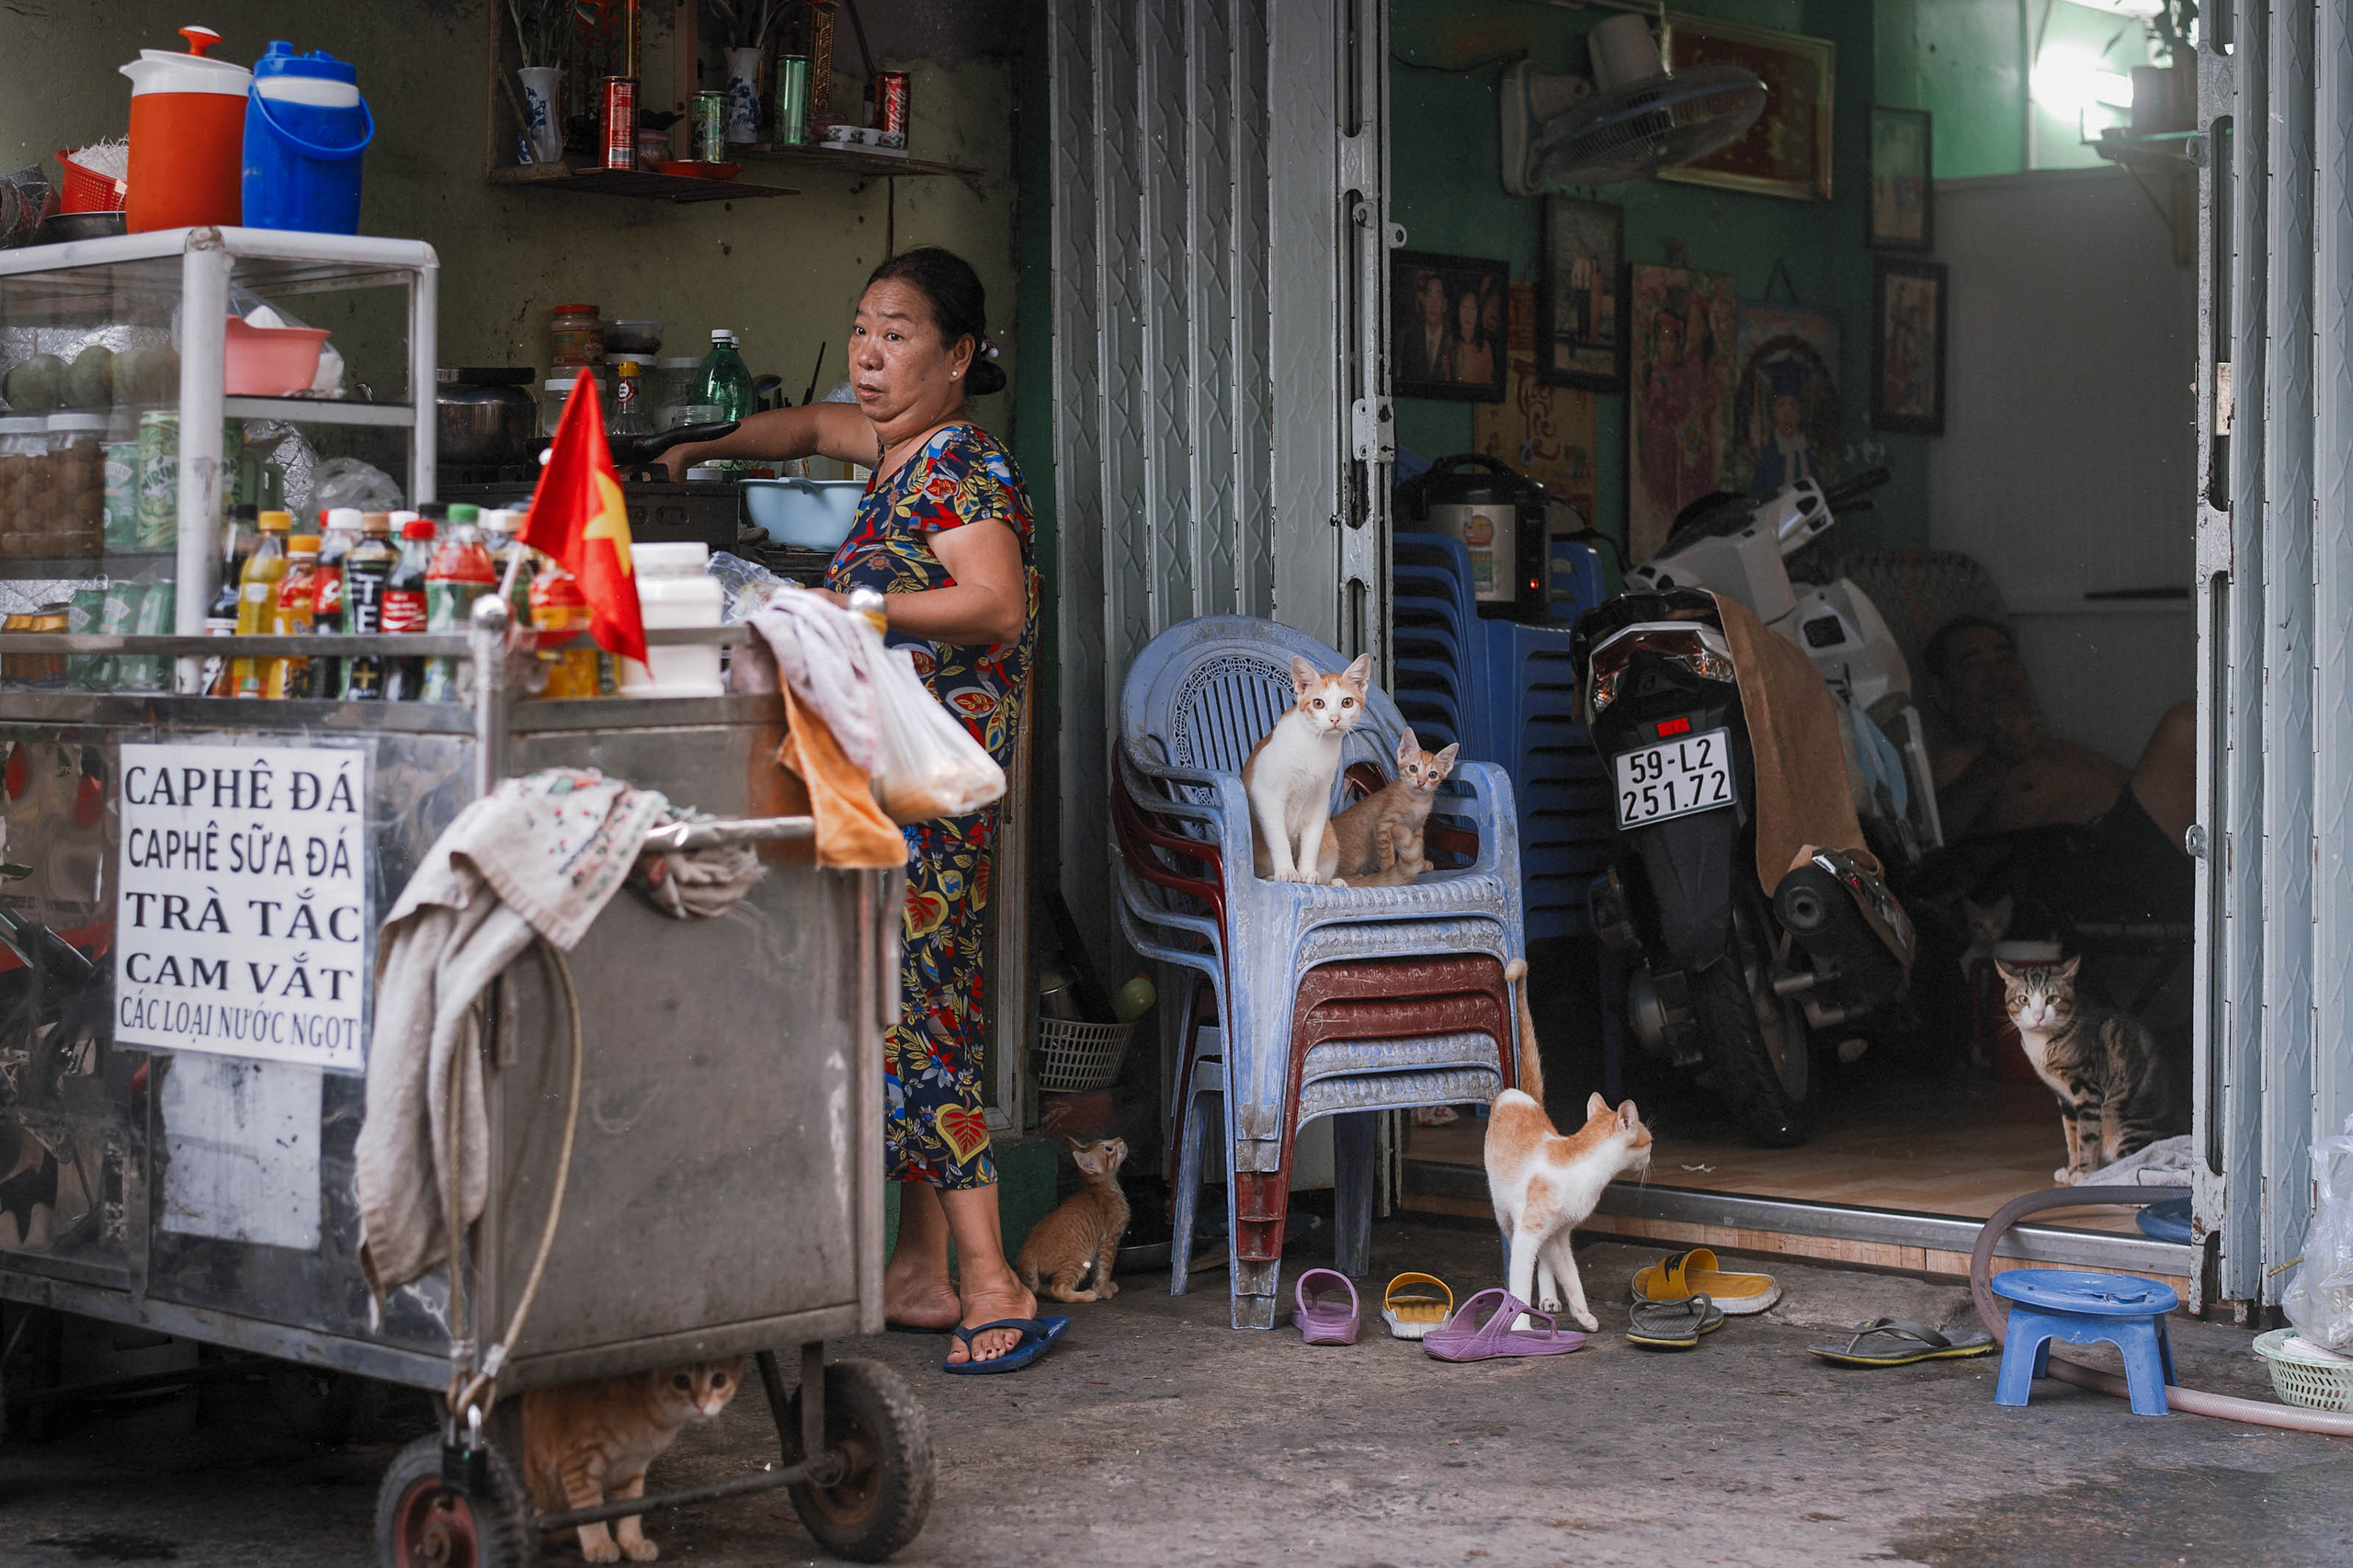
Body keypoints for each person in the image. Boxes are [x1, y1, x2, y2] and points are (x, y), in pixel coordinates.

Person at [662, 248, 1042, 1368]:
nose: (871, 355)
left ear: (959, 354)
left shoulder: (963, 464)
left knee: (910, 1013)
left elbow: (995, 601)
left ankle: (991, 1278)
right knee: (925, 1005)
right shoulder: (895, 446)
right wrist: (707, 444)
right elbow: (807, 427)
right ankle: (920, 1271)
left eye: (898, 334)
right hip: (903, 773)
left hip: (932, 782)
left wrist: (853, 606)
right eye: (863, 328)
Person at [1924, 615, 2194, 918]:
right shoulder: (1961, 758)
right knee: (2187, 725)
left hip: (2142, 852)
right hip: (2090, 870)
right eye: (1973, 664)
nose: (1996, 674)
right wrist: (1995, 762)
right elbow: (1937, 840)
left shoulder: (2056, 749)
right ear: (1942, 693)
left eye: (2005, 658)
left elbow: (2139, 786)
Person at [1748, 358, 1819, 496]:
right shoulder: (1768, 457)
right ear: (1774, 411)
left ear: (1800, 413)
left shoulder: (1806, 456)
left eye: (1792, 406)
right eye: (1781, 405)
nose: (1787, 414)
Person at [1399, 269, 1451, 385]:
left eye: (1438, 296)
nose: (1433, 304)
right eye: (1429, 296)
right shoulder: (1411, 338)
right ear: (1423, 301)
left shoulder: (1452, 341)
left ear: (1445, 304)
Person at [1443, 284, 1495, 386]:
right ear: (1458, 311)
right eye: (1463, 307)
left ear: (1478, 313)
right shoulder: (1449, 343)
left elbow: (1488, 381)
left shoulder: (1485, 346)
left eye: (1472, 308)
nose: (1468, 314)